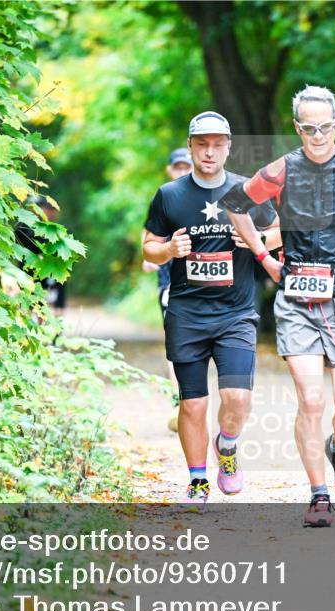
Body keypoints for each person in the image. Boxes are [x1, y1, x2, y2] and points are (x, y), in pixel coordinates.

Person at [222, 85, 335, 527]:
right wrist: (263, 257)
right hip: (296, 302)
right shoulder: (280, 171)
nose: (318, 135)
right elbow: (235, 205)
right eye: (309, 128)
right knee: (311, 400)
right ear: (297, 128)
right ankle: (318, 494)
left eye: (325, 127)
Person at [142, 112, 280, 506]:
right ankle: (198, 480)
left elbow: (279, 230)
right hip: (186, 313)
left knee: (237, 398)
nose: (209, 151)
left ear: (228, 147)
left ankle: (228, 446)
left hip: (235, 313)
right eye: (201, 143)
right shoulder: (169, 195)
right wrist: (169, 249)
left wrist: (255, 240)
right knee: (193, 403)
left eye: (217, 143)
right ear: (190, 146)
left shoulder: (246, 190)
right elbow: (149, 245)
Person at [142, 148, 193, 432]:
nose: (183, 171)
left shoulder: (207, 198)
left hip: (205, 289)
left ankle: (196, 401)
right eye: (178, 167)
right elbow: (148, 242)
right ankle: (179, 401)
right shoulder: (164, 199)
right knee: (177, 344)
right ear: (170, 170)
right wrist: (155, 256)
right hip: (171, 286)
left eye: (187, 165)